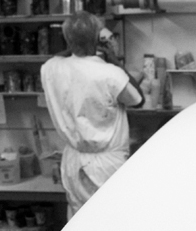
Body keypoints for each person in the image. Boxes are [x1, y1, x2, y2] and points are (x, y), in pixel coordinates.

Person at [40, 11, 143, 220]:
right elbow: (138, 99)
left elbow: (61, 55)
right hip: (106, 165)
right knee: (109, 222)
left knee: (79, 221)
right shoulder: (110, 73)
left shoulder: (50, 68)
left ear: (67, 39)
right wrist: (113, 59)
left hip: (73, 161)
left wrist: (77, 43)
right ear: (97, 38)